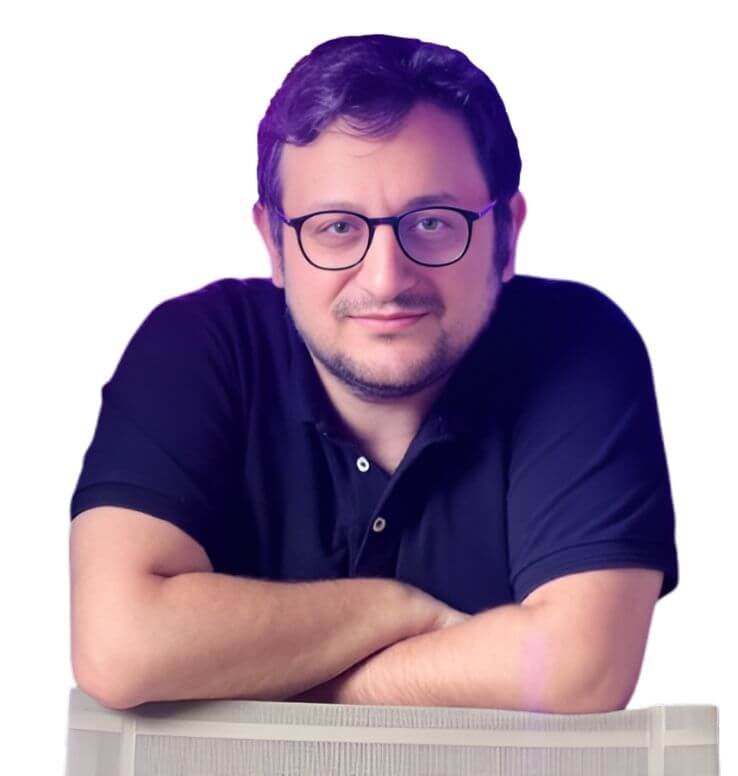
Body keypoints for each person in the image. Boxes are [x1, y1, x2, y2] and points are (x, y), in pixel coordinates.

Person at [68, 33, 678, 714]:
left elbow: (580, 671)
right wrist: (397, 609)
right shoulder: (193, 347)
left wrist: (265, 679)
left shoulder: (579, 346)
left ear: (507, 235)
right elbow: (119, 650)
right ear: (274, 242)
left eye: (433, 223)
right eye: (336, 228)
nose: (386, 278)